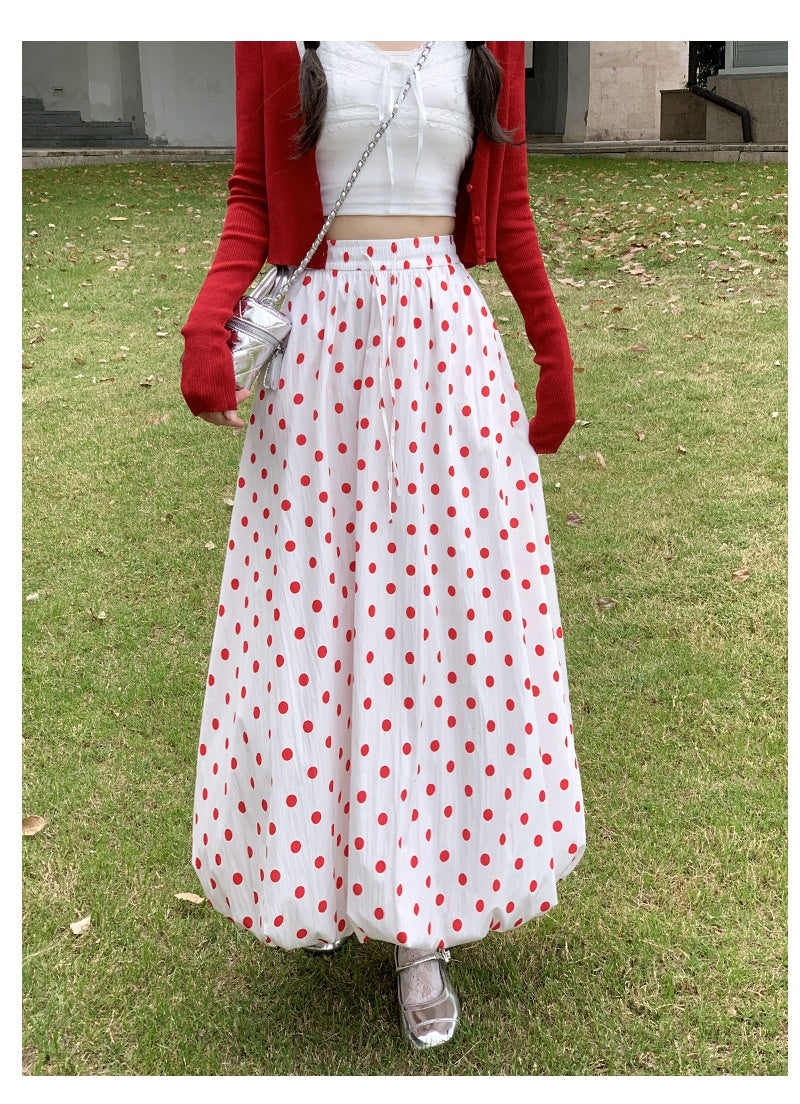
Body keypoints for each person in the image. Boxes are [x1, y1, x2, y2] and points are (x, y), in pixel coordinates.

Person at [180, 40, 585, 1050]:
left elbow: (509, 209)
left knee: (438, 636)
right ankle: (320, 876)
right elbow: (251, 193)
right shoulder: (279, 35)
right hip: (323, 354)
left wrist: (552, 351)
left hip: (445, 353)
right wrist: (206, 325)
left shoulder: (487, 39)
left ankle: (422, 928)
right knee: (315, 630)